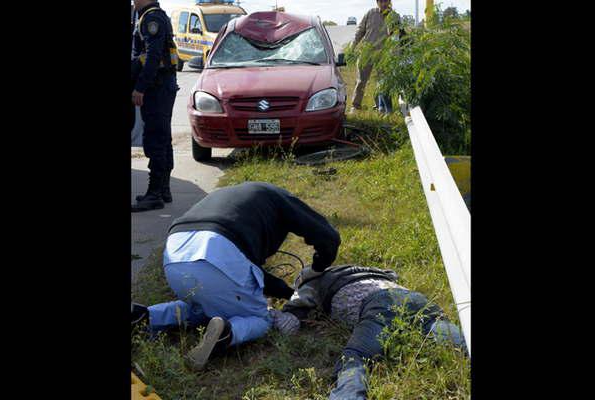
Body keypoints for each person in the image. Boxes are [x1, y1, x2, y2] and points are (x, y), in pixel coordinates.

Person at [131, 182, 341, 370]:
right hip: (217, 251)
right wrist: (317, 268)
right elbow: (328, 237)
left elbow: (246, 272)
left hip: (174, 254)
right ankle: (227, 334)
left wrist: (288, 293)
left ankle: (144, 317)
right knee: (261, 318)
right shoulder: (280, 199)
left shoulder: (240, 200)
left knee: (202, 308)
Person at [274, 264, 467, 400]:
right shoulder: (368, 272)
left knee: (355, 358)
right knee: (456, 342)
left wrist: (272, 315)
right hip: (415, 298)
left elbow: (289, 324)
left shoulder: (312, 283)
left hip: (379, 304)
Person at [131, 0, 180, 212]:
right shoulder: (154, 15)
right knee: (163, 138)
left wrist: (140, 87)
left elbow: (153, 55)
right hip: (162, 86)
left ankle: (154, 194)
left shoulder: (151, 17)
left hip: (156, 87)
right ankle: (163, 190)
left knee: (155, 140)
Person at [350, 0, 401, 113]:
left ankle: (380, 107)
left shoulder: (395, 16)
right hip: (366, 53)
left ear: (389, 2)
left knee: (382, 82)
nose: (384, 4)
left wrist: (395, 55)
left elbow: (396, 36)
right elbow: (360, 31)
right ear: (377, 2)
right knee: (361, 81)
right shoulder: (370, 13)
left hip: (384, 55)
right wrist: (352, 47)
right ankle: (355, 105)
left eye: (386, 1)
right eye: (381, 1)